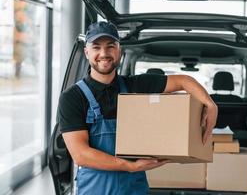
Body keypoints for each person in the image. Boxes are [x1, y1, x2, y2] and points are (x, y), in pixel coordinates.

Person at [58, 21, 218, 195]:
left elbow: (183, 81)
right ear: (86, 52)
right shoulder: (72, 97)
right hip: (96, 188)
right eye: (96, 47)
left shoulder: (135, 85)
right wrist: (130, 166)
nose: (104, 53)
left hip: (134, 187)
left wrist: (210, 104)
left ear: (119, 50)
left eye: (110, 46)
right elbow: (81, 154)